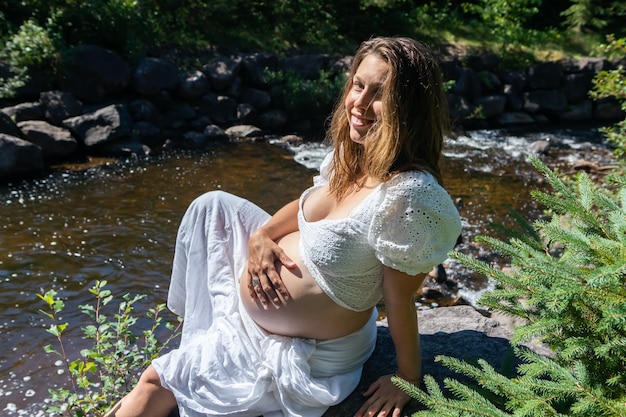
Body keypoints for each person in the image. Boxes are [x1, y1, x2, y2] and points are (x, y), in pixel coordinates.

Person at [106, 36, 461, 417]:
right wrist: (263, 236)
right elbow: (308, 206)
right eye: (358, 85)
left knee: (155, 382)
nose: (359, 103)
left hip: (315, 350)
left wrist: (407, 377)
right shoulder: (357, 153)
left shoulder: (410, 196)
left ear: (408, 107)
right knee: (212, 206)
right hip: (273, 312)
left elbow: (400, 298)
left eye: (379, 94)